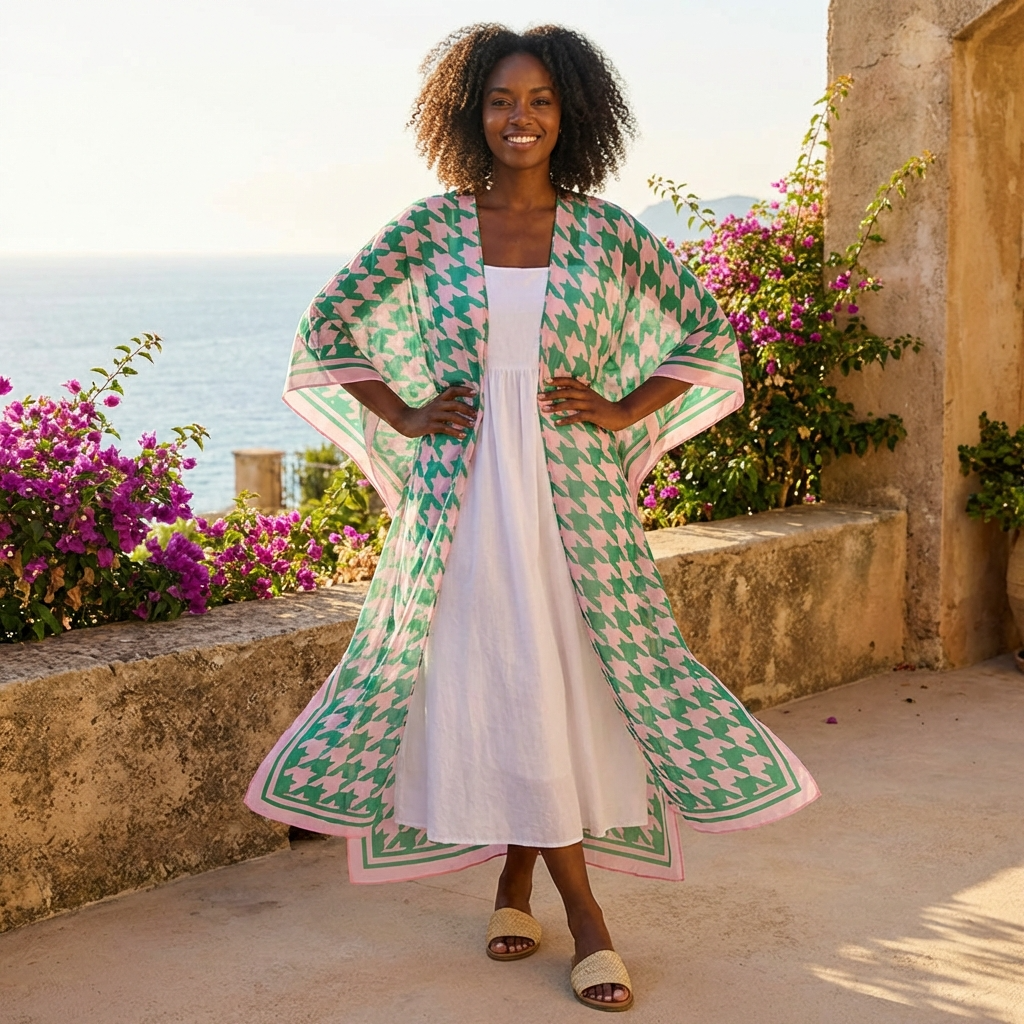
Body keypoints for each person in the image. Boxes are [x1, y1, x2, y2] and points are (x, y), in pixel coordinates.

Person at [246, 23, 819, 1012]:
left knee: (552, 686)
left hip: (574, 507)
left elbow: (698, 330)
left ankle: (518, 880)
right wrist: (406, 413)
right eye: (502, 101)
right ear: (472, 113)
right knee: (506, 683)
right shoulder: (430, 230)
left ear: (572, 114)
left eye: (541, 101)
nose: (521, 118)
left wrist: (623, 409)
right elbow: (330, 323)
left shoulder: (604, 233)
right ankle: (587, 917)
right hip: (461, 508)